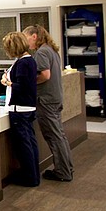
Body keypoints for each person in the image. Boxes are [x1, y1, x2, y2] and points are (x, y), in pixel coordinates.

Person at [25, 24, 73, 182]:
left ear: (34, 36)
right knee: (60, 135)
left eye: (26, 39)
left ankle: (62, 172)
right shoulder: (51, 50)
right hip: (54, 98)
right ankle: (66, 168)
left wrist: (29, 82)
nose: (26, 43)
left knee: (54, 137)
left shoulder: (42, 52)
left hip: (46, 100)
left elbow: (45, 75)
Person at [1, 31, 39, 186]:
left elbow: (21, 86)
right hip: (27, 108)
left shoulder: (23, 63)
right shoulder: (28, 60)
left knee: (24, 145)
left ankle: (29, 178)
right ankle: (33, 175)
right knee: (30, 142)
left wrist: (8, 83)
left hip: (20, 109)